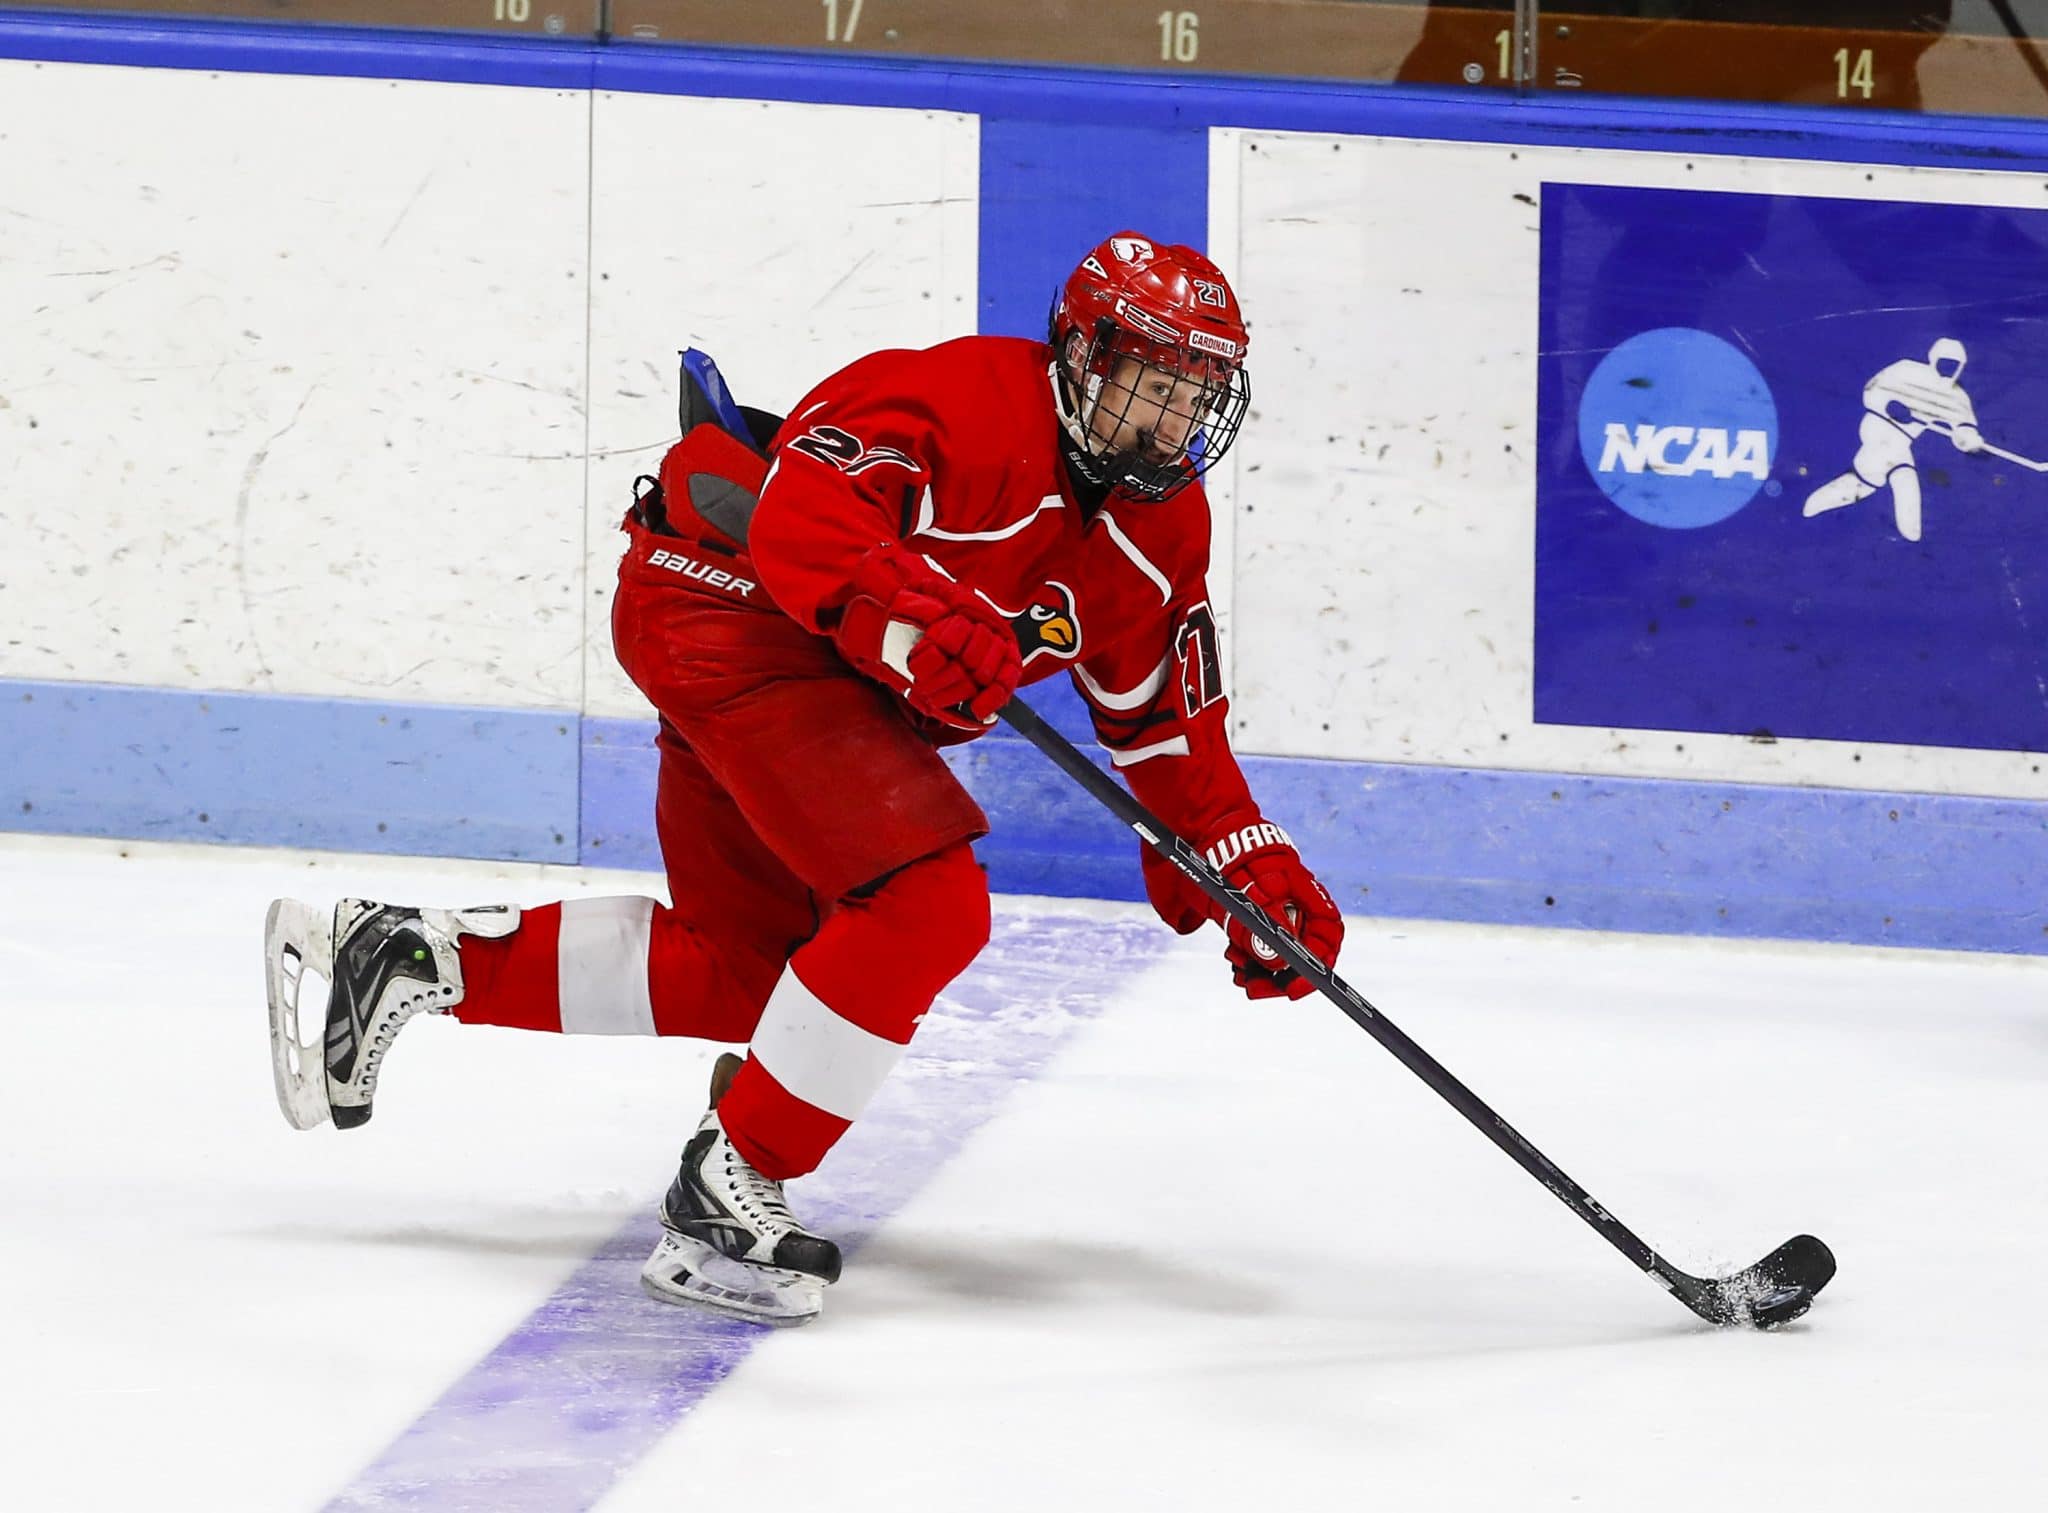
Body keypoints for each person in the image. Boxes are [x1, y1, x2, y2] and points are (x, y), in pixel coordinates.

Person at [262, 231, 1345, 1326]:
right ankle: (726, 1184)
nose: (1169, 424)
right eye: (1152, 385)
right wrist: (914, 621)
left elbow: (1168, 727)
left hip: (805, 667)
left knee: (764, 971)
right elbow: (802, 516)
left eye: (1195, 395)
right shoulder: (959, 401)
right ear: (1081, 355)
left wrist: (1240, 858)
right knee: (923, 904)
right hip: (724, 609)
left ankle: (403, 955)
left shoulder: (1163, 529)